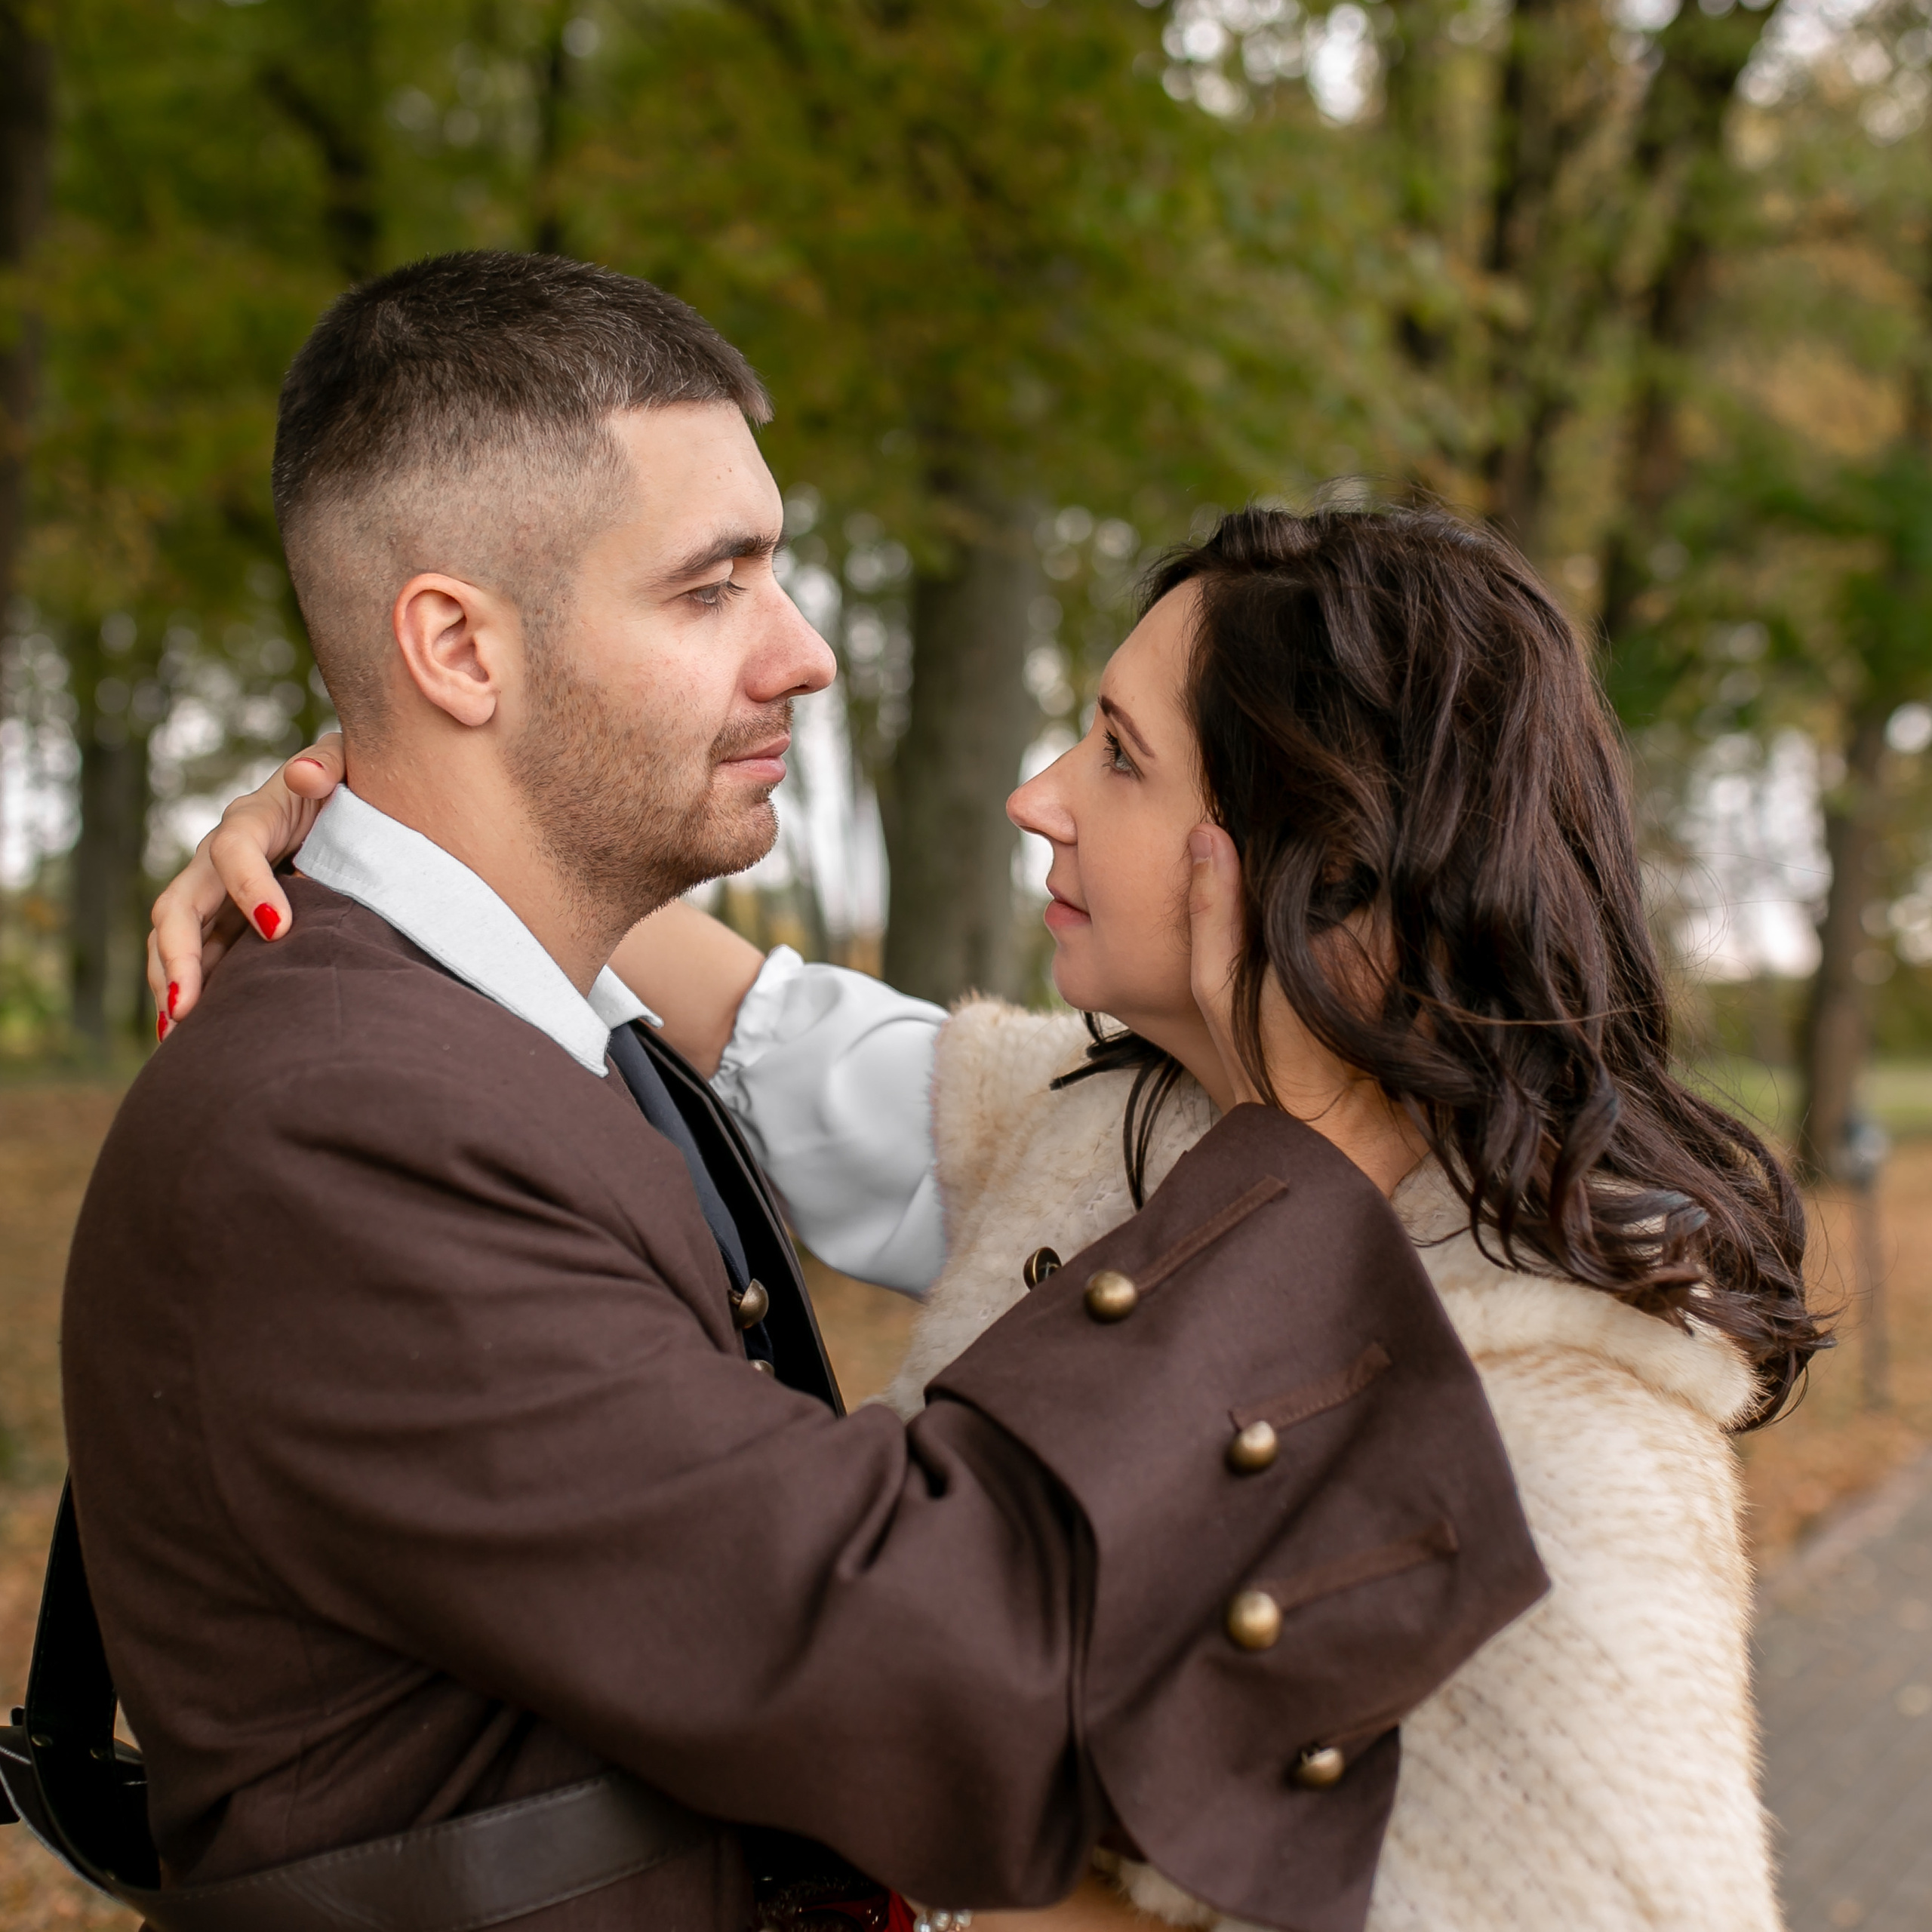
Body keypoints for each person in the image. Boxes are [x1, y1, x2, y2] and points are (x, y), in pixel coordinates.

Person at [76, 253, 1546, 1932]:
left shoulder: (540, 1030)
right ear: (456, 647)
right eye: (711, 589)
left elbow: (824, 1056)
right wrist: (1297, 1166)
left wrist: (337, 791)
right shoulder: (338, 1131)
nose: (806, 654)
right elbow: (930, 1669)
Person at [165, 500, 1824, 1930]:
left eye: (1114, 752)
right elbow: (744, 1017)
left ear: (1327, 862)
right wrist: (353, 820)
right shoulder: (1104, 1120)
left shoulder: (1572, 1417)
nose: (1037, 795)